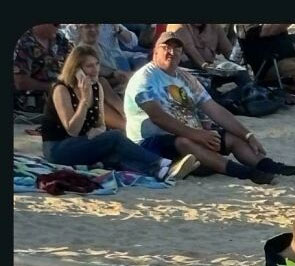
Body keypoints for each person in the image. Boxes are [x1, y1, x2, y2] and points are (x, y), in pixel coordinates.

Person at [124, 32, 295, 184]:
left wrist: (248, 134)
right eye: (166, 48)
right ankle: (244, 172)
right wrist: (196, 134)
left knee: (233, 137)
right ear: (155, 52)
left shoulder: (185, 77)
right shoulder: (145, 78)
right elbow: (158, 118)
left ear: (182, 53)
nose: (171, 52)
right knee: (184, 142)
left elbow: (214, 108)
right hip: (151, 143)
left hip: (192, 136)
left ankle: (272, 167)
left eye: (176, 48)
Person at [40, 45, 197, 181]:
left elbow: (100, 124)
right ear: (76, 70)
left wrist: (98, 131)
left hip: (84, 142)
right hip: (58, 148)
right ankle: (162, 163)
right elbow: (72, 130)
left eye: (96, 64)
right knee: (114, 137)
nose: (95, 70)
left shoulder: (96, 87)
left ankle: (162, 172)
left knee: (114, 155)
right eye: (89, 66)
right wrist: (84, 101)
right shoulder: (62, 89)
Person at [14, 24, 72, 114]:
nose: (59, 26)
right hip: (29, 107)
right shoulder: (24, 42)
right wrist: (53, 87)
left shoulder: (61, 40)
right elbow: (21, 82)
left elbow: (75, 62)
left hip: (61, 100)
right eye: (55, 24)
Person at [166, 23, 233, 69]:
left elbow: (228, 50)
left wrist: (237, 65)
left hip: (209, 71)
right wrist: (205, 66)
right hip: (185, 71)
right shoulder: (177, 25)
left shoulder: (215, 27)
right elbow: (190, 49)